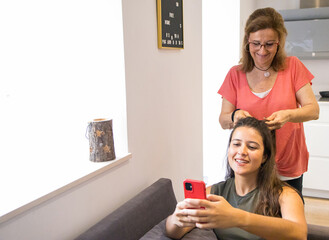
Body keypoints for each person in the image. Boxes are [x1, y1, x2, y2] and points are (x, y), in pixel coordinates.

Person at [218, 7, 319, 194]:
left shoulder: (293, 67)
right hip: (248, 163)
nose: (262, 51)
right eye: (256, 43)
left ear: (279, 43)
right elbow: (223, 120)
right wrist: (235, 115)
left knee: (289, 216)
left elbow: (313, 110)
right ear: (247, 42)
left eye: (269, 44)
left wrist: (288, 115)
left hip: (287, 162)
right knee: (248, 218)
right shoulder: (235, 74)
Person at [166, 117, 307, 240]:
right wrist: (176, 220)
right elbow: (173, 232)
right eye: (236, 144)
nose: (242, 152)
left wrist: (236, 218)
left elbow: (299, 234)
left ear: (265, 156)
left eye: (252, 147)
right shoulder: (214, 192)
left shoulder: (286, 195)